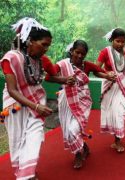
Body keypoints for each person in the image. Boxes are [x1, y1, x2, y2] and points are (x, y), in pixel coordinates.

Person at [0, 17, 56, 180]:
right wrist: (36, 106)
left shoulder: (40, 61)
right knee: (17, 142)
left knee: (35, 138)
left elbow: (42, 79)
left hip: (36, 103)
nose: (46, 49)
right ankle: (25, 174)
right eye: (43, 44)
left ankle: (25, 172)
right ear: (30, 41)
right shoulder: (12, 58)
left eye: (48, 45)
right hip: (15, 105)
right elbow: (12, 90)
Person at [45, 40, 115, 168]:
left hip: (83, 101)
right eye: (77, 52)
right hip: (67, 101)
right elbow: (48, 77)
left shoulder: (86, 65)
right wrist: (64, 79)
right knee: (69, 130)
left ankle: (78, 155)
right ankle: (83, 149)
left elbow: (98, 71)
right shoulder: (62, 64)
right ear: (71, 51)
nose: (80, 56)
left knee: (74, 129)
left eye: (83, 54)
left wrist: (108, 75)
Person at [96, 28, 125, 153]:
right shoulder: (105, 52)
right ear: (111, 40)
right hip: (109, 86)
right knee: (110, 113)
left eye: (122, 41)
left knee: (119, 112)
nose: (120, 44)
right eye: (117, 41)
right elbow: (96, 69)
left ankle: (118, 140)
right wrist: (106, 75)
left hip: (122, 87)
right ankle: (115, 139)